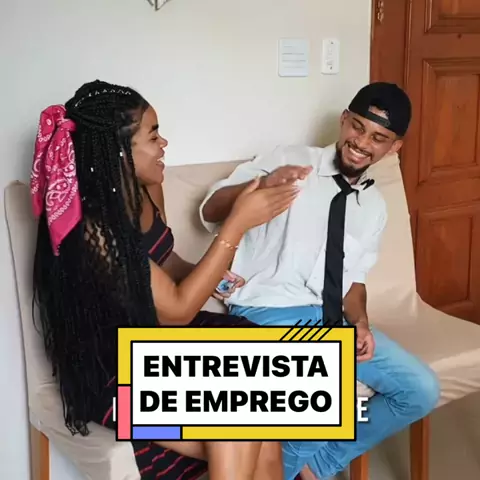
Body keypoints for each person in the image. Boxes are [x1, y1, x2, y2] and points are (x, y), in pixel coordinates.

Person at [31, 80, 298, 480]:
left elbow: (164, 260)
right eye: (153, 136)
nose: (164, 144)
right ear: (119, 150)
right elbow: (175, 311)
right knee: (242, 419)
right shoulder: (92, 227)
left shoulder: (147, 187)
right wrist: (236, 224)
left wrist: (210, 277)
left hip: (160, 339)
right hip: (116, 366)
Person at [200, 82, 441, 480]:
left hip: (330, 323)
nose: (361, 142)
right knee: (331, 393)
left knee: (420, 389)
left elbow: (353, 281)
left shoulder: (374, 207)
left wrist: (360, 323)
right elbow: (210, 210)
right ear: (344, 120)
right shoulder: (290, 160)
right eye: (358, 127)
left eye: (378, 137)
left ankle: (317, 466)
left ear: (393, 147)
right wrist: (261, 185)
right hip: (265, 315)